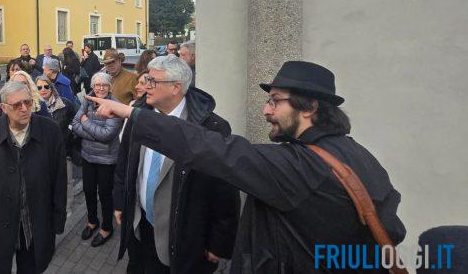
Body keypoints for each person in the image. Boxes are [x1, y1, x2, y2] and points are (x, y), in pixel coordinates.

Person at [89, 61, 406, 273]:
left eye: (276, 101)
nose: (266, 111)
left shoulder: (299, 168)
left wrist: (132, 114)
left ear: (310, 107)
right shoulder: (357, 155)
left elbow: (214, 152)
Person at [113, 55, 240, 273]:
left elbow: (224, 191)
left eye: (153, 81)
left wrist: (219, 242)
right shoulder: (139, 114)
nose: (144, 85)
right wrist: (119, 201)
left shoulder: (212, 128)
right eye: (145, 79)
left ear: (176, 87)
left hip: (184, 237)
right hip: (139, 225)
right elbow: (124, 161)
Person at [0, 81, 67, 274]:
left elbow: (59, 180)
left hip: (34, 223)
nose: (24, 109)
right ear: (3, 108)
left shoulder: (50, 131)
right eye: (17, 105)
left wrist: (58, 220)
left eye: (28, 102)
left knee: (32, 268)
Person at [71, 72, 123, 248]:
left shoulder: (115, 105)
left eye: (104, 85)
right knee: (89, 190)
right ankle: (92, 221)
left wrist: (86, 122)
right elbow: (74, 124)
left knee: (105, 194)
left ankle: (107, 227)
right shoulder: (87, 100)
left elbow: (108, 135)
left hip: (107, 159)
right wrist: (94, 132)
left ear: (110, 87)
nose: (100, 88)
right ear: (92, 86)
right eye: (97, 85)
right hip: (88, 156)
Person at [36, 76, 76, 216]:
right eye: (39, 87)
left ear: (51, 88)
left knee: (66, 181)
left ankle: (67, 208)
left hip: (63, 150)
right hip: (42, 153)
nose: (43, 90)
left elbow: (75, 117)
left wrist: (70, 130)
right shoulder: (33, 107)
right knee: (46, 181)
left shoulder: (64, 103)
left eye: (46, 86)